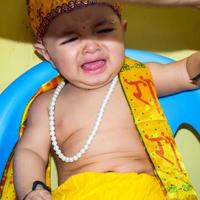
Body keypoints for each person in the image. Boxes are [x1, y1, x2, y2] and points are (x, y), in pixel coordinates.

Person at [10, 0, 200, 200]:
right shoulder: (47, 104)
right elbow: (31, 151)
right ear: (46, 53)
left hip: (144, 192)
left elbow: (187, 73)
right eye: (70, 39)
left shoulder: (139, 78)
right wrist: (33, 190)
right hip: (82, 194)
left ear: (122, 30)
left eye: (104, 30)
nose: (91, 47)